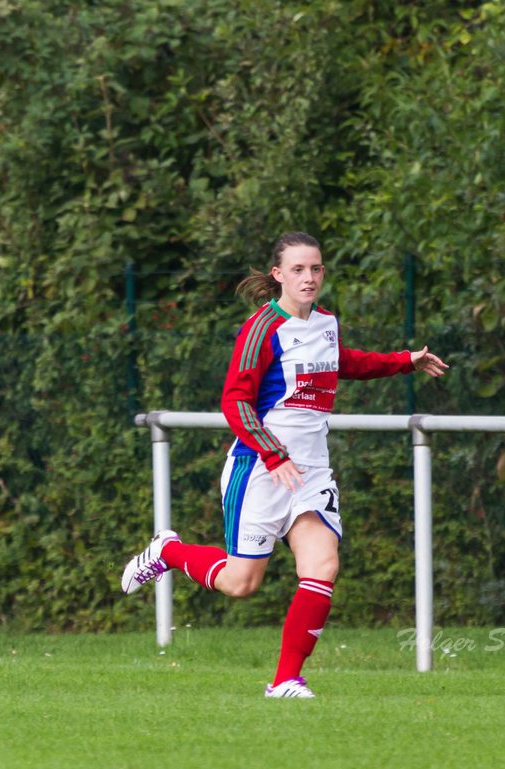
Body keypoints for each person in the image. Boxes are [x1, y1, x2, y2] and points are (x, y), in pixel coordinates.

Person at [121, 232, 448, 698]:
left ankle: (286, 679)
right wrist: (273, 454)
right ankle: (168, 552)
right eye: (298, 269)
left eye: (315, 269)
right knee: (241, 583)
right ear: (278, 275)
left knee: (322, 566)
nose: (309, 277)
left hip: (311, 471)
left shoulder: (326, 322)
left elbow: (339, 362)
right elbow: (235, 401)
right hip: (259, 467)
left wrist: (403, 361)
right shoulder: (262, 328)